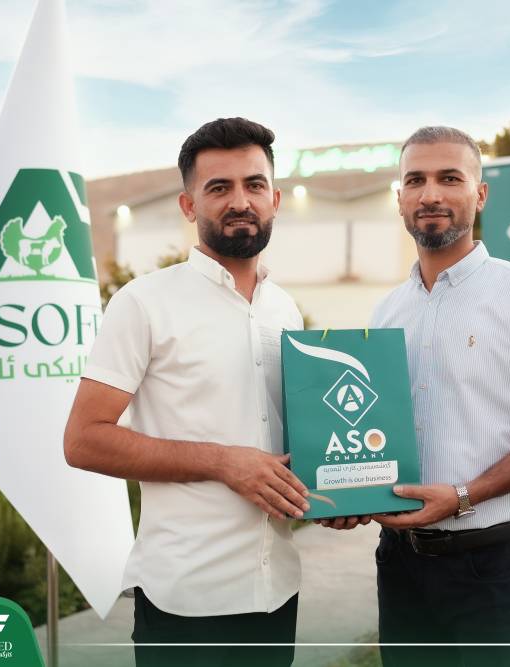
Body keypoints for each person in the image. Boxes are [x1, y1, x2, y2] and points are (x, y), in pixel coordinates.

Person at [63, 117, 309, 667]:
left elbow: (297, 441)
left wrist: (341, 491)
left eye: (254, 185)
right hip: (185, 601)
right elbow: (83, 440)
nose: (240, 201)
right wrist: (223, 462)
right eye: (219, 188)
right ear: (188, 205)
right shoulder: (143, 303)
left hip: (277, 591)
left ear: (275, 199)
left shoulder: (284, 310)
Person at [364, 126, 510, 667]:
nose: (430, 194)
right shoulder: (387, 311)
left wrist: (464, 495)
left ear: (480, 194)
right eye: (415, 180)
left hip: (493, 566)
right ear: (400, 198)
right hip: (400, 565)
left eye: (450, 178)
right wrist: (351, 493)